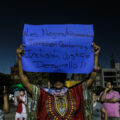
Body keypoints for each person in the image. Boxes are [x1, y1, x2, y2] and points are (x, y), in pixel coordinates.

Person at [16, 42, 100, 120]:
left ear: (64, 78)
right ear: (50, 80)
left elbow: (91, 78)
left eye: (60, 77)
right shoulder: (43, 94)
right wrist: (19, 59)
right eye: (54, 77)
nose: (57, 80)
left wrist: (96, 56)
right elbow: (24, 80)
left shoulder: (74, 92)